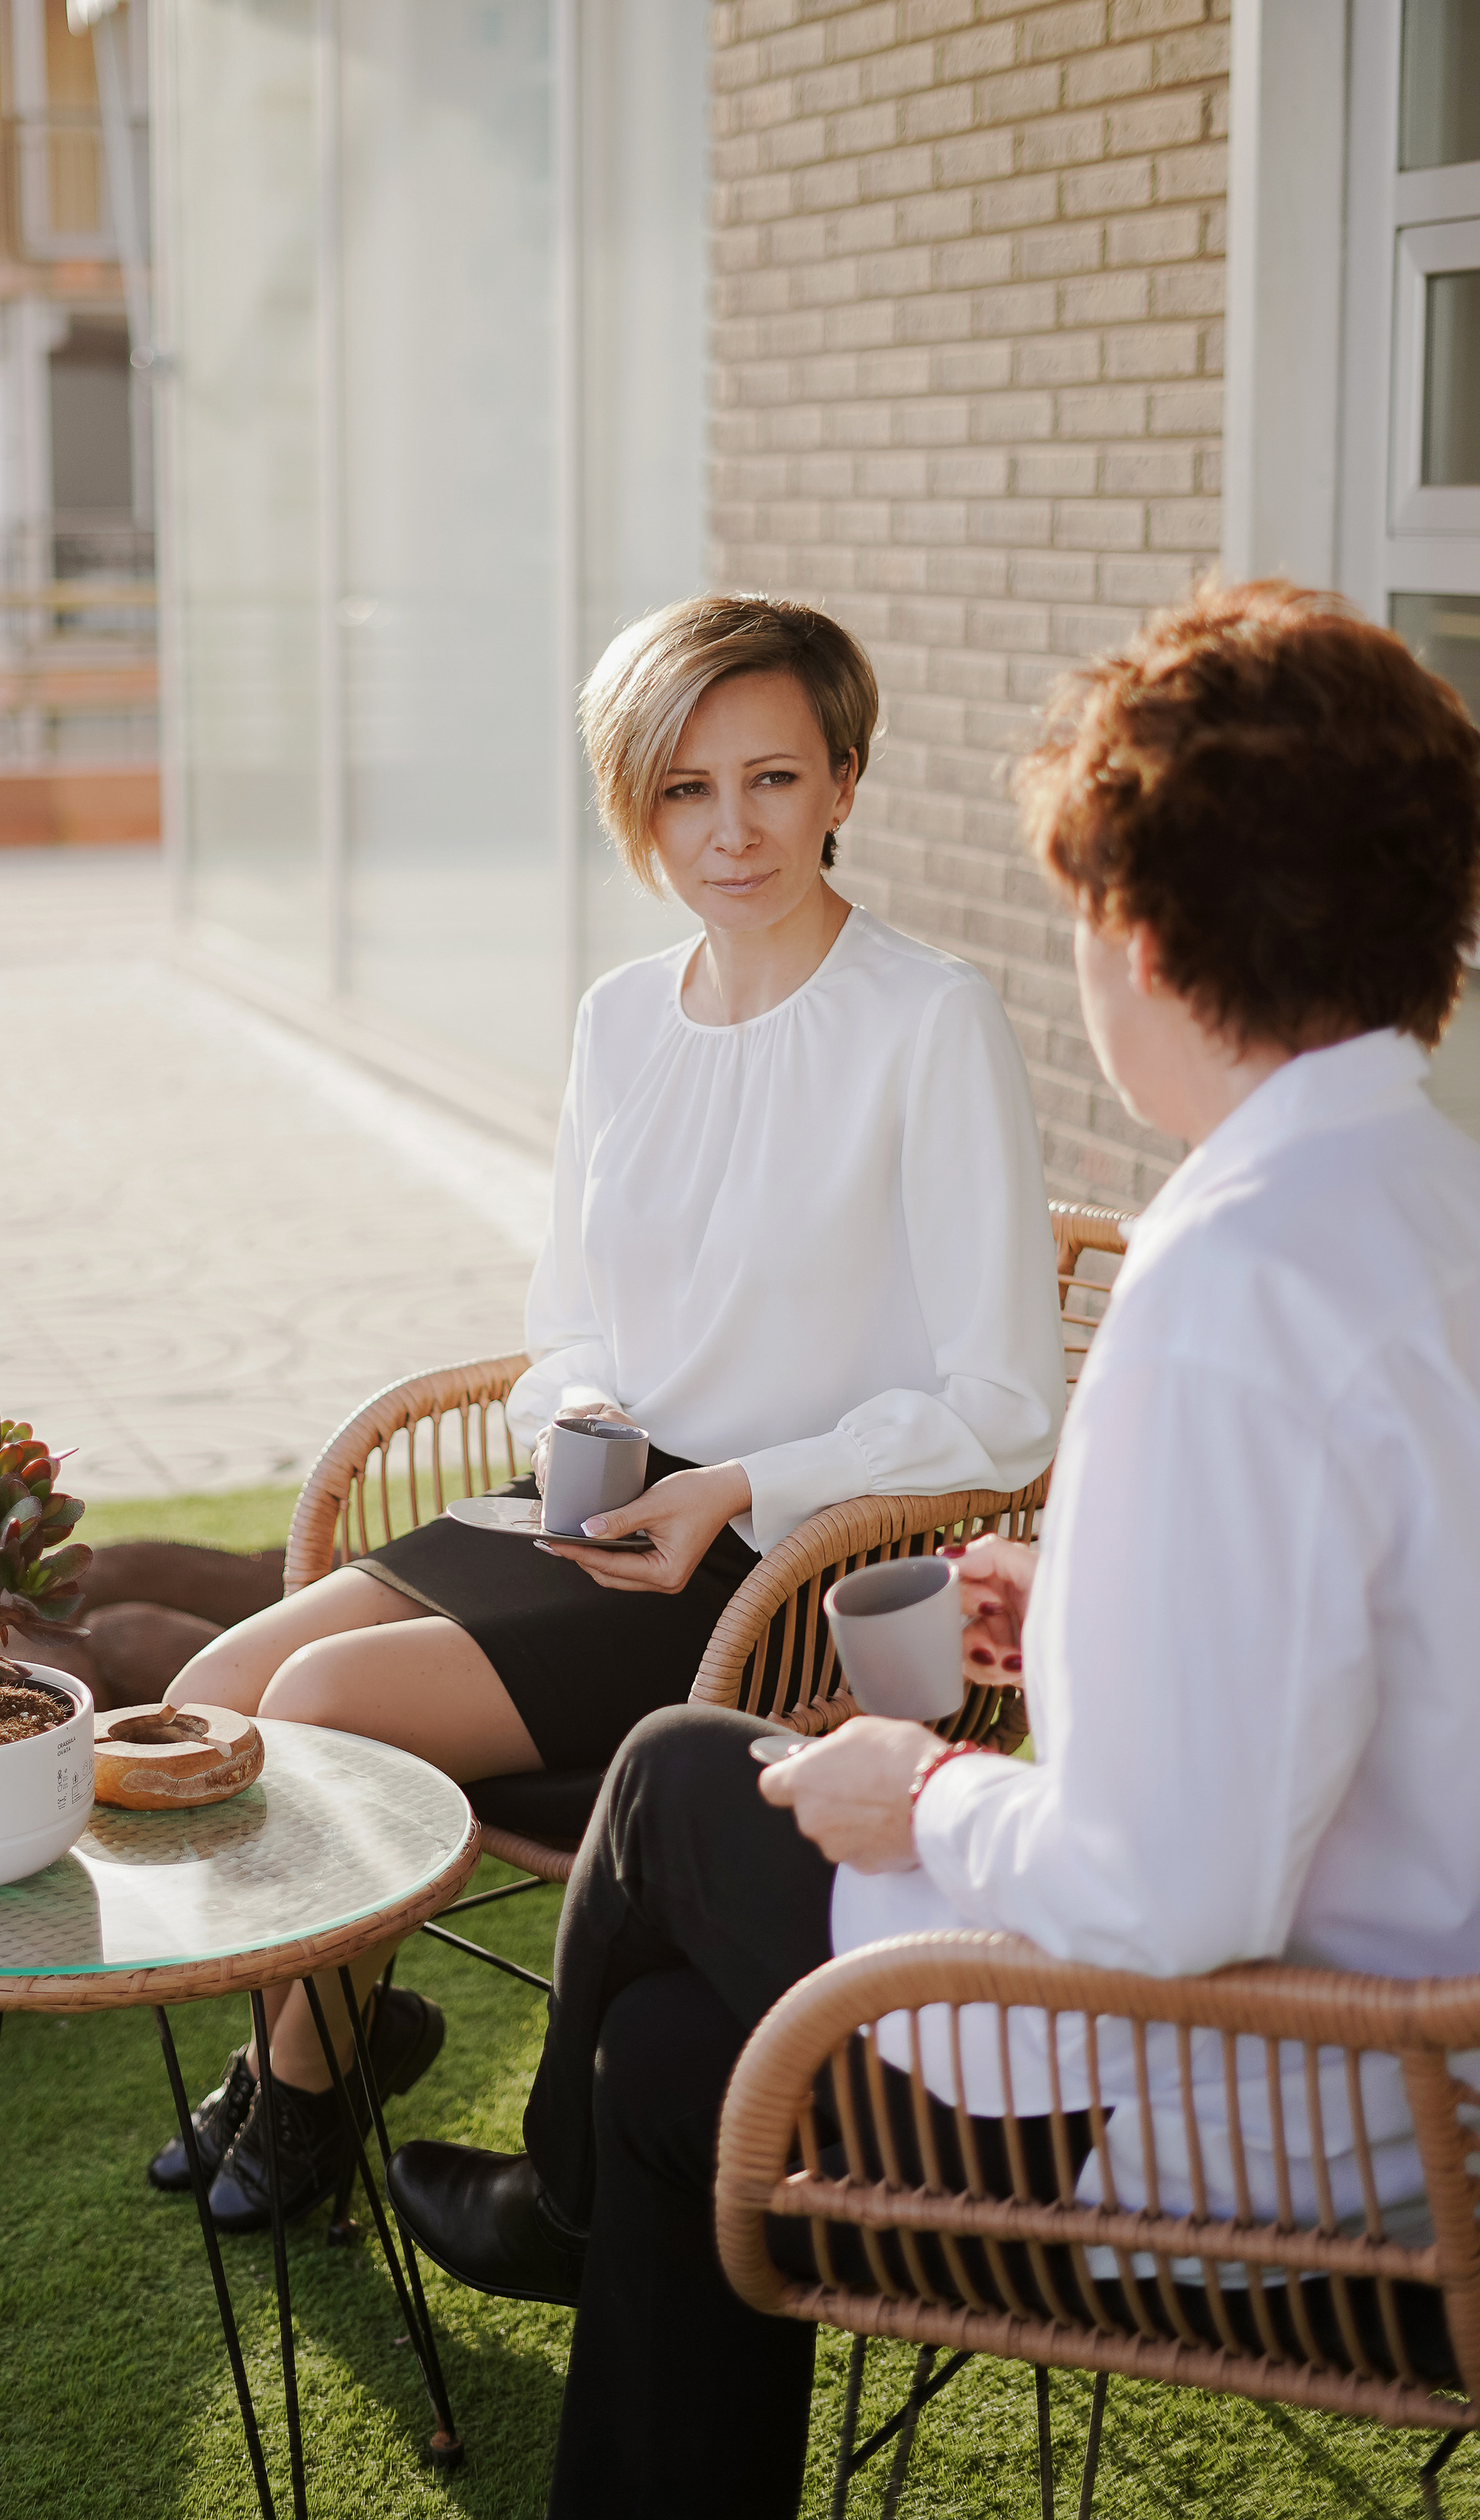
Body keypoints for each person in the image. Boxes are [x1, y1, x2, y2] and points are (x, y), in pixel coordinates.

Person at [387, 578, 1480, 2518]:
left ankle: (556, 2209)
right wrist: (1086, 1607)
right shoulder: (1423, 1201)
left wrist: (925, 1798)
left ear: (1135, 933)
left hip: (1305, 2122)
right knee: (663, 2063)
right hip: (1413, 2048)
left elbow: (1168, 1899)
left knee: (684, 1786)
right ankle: (582, 2192)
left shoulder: (1230, 1285)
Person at [151, 593, 1066, 2230]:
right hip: (594, 1504)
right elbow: (564, 1314)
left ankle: (297, 2088)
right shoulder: (618, 1018)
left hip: (770, 1572)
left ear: (844, 781)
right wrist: (577, 1409)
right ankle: (342, 2038)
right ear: (631, 804)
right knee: (222, 1685)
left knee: (335, 1693)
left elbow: (1002, 1408)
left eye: (773, 780)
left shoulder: (929, 1024)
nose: (731, 832)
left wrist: (732, 1487)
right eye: (682, 791)